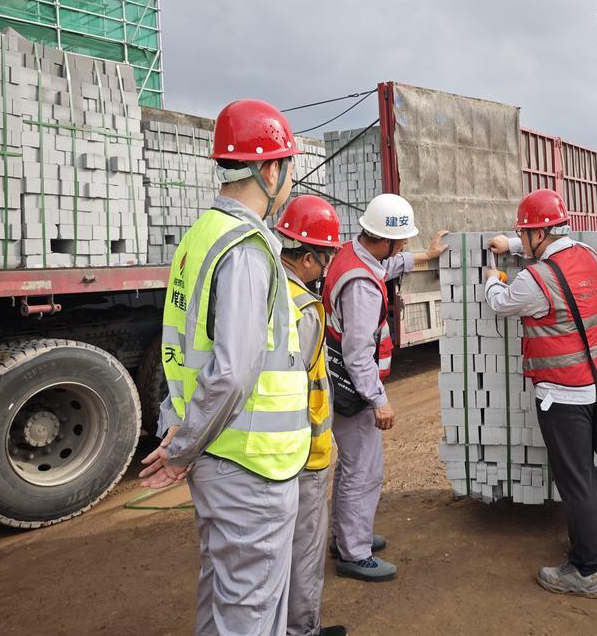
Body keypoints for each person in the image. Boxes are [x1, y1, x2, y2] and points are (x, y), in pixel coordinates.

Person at [141, 99, 311, 635]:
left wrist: (180, 430)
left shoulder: (199, 237)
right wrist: (184, 447)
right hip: (250, 464)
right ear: (269, 169)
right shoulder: (246, 246)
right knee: (250, 612)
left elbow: (180, 351)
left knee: (225, 597)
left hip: (224, 458)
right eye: (288, 168)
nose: (288, 182)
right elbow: (234, 370)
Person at [485, 188, 597, 599]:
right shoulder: (584, 256)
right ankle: (593, 551)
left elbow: (503, 303)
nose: (520, 240)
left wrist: (493, 280)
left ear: (537, 235)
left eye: (523, 233)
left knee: (574, 480)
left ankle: (583, 572)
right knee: (586, 476)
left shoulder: (534, 280)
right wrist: (510, 244)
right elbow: (551, 252)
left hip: (564, 397)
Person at [321, 193, 448, 582]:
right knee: (364, 470)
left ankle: (346, 535)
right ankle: (354, 554)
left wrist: (424, 256)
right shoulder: (361, 287)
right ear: (385, 238)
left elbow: (387, 267)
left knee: (351, 465)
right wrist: (379, 400)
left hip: (337, 380)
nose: (404, 246)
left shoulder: (354, 254)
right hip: (353, 387)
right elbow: (359, 354)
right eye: (402, 240)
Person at [275, 195, 348, 636]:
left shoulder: (266, 288)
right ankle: (302, 629)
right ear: (306, 258)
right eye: (324, 259)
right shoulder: (304, 307)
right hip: (304, 448)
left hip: (268, 451)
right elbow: (298, 383)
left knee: (274, 550)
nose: (326, 269)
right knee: (304, 548)